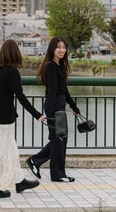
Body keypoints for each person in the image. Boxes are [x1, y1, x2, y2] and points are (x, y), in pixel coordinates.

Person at [0, 39, 44, 199]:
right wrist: (37, 114)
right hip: (4, 118)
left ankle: (19, 181)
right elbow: (21, 97)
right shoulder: (12, 72)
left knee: (10, 150)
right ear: (16, 53)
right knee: (2, 152)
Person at [26, 37, 81, 182]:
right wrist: (57, 111)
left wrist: (74, 106)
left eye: (64, 47)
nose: (62, 50)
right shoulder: (50, 66)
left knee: (60, 139)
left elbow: (64, 90)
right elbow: (52, 92)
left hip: (59, 104)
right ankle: (57, 174)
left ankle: (36, 161)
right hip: (54, 105)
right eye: (59, 47)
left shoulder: (59, 66)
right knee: (59, 139)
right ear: (52, 49)